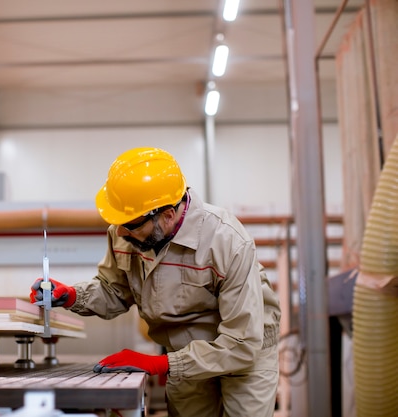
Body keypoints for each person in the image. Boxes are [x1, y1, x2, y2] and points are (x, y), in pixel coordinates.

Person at [30, 146, 281, 417]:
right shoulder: (125, 231)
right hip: (184, 349)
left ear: (168, 216)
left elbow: (241, 342)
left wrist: (163, 364)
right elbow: (114, 291)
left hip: (243, 351)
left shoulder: (227, 240)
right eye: (119, 223)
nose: (121, 231)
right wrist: (72, 296)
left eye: (132, 225)